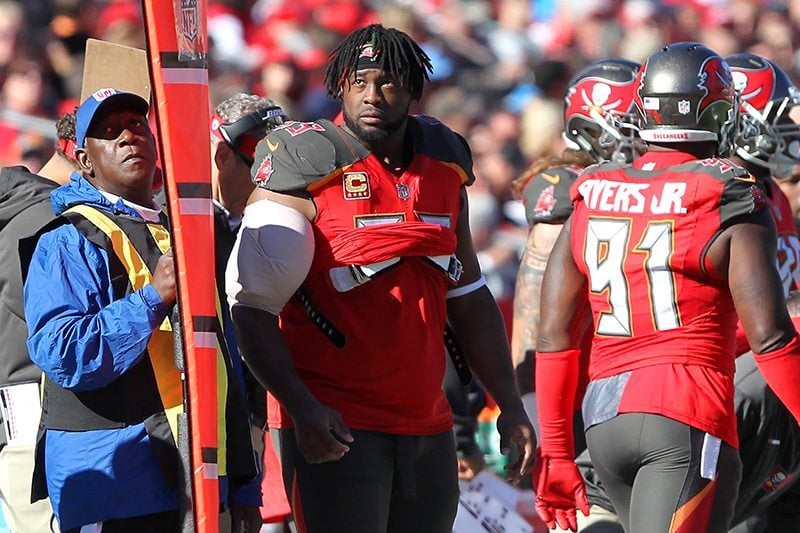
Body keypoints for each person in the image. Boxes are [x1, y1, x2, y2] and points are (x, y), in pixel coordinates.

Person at [226, 23, 536, 533]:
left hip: (427, 422)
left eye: (388, 82)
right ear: (339, 86)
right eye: (359, 81)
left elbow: (469, 293)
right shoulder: (305, 163)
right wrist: (302, 408)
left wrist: (508, 402)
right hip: (338, 421)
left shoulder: (444, 163)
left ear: (415, 91)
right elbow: (253, 309)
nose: (372, 95)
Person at [534, 42, 800, 533]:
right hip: (684, 416)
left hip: (604, 423)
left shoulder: (593, 189)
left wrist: (556, 451)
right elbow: (771, 337)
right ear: (720, 112)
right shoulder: (728, 191)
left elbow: (552, 337)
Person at [22, 88, 259, 532]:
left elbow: (220, 357)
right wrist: (152, 299)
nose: (129, 137)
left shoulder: (182, 227)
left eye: (136, 125)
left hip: (195, 475)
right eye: (110, 132)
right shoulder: (66, 239)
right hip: (115, 480)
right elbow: (62, 352)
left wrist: (244, 481)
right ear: (85, 160)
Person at [510, 58, 641, 447]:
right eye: (635, 120)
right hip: (583, 397)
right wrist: (536, 411)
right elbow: (533, 309)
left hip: (637, 387)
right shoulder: (564, 187)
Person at [209, 93, 293, 532]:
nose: (272, 180)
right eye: (261, 165)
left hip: (252, 416)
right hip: (198, 418)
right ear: (224, 154)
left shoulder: (266, 221)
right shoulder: (180, 227)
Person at [0, 111, 77, 533]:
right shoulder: (45, 219)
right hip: (35, 418)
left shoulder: (20, 211)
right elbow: (50, 328)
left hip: (19, 415)